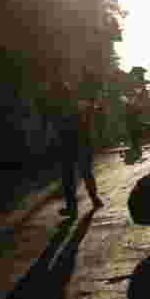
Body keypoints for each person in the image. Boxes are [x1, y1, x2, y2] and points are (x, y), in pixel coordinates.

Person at [52, 81, 103, 216]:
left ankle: (73, 207)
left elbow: (96, 109)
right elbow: (97, 109)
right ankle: (94, 199)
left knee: (70, 176)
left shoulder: (61, 108)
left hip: (70, 146)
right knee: (84, 173)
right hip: (80, 144)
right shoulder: (79, 105)